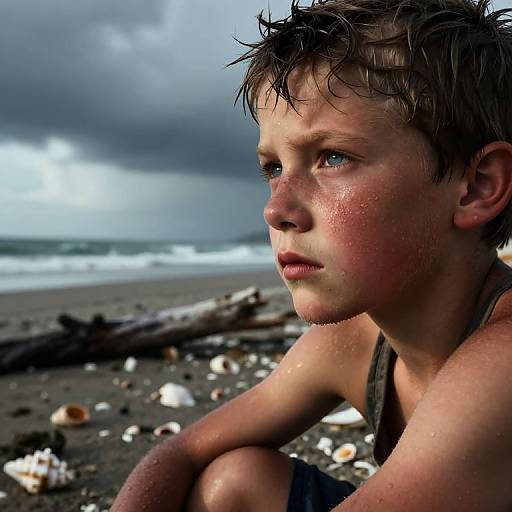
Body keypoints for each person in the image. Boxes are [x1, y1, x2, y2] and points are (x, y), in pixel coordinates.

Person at [112, 1, 512, 510]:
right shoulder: (351, 343)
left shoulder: (502, 363)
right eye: (274, 168)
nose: (276, 210)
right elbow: (181, 453)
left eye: (333, 158)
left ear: (477, 186)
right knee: (233, 480)